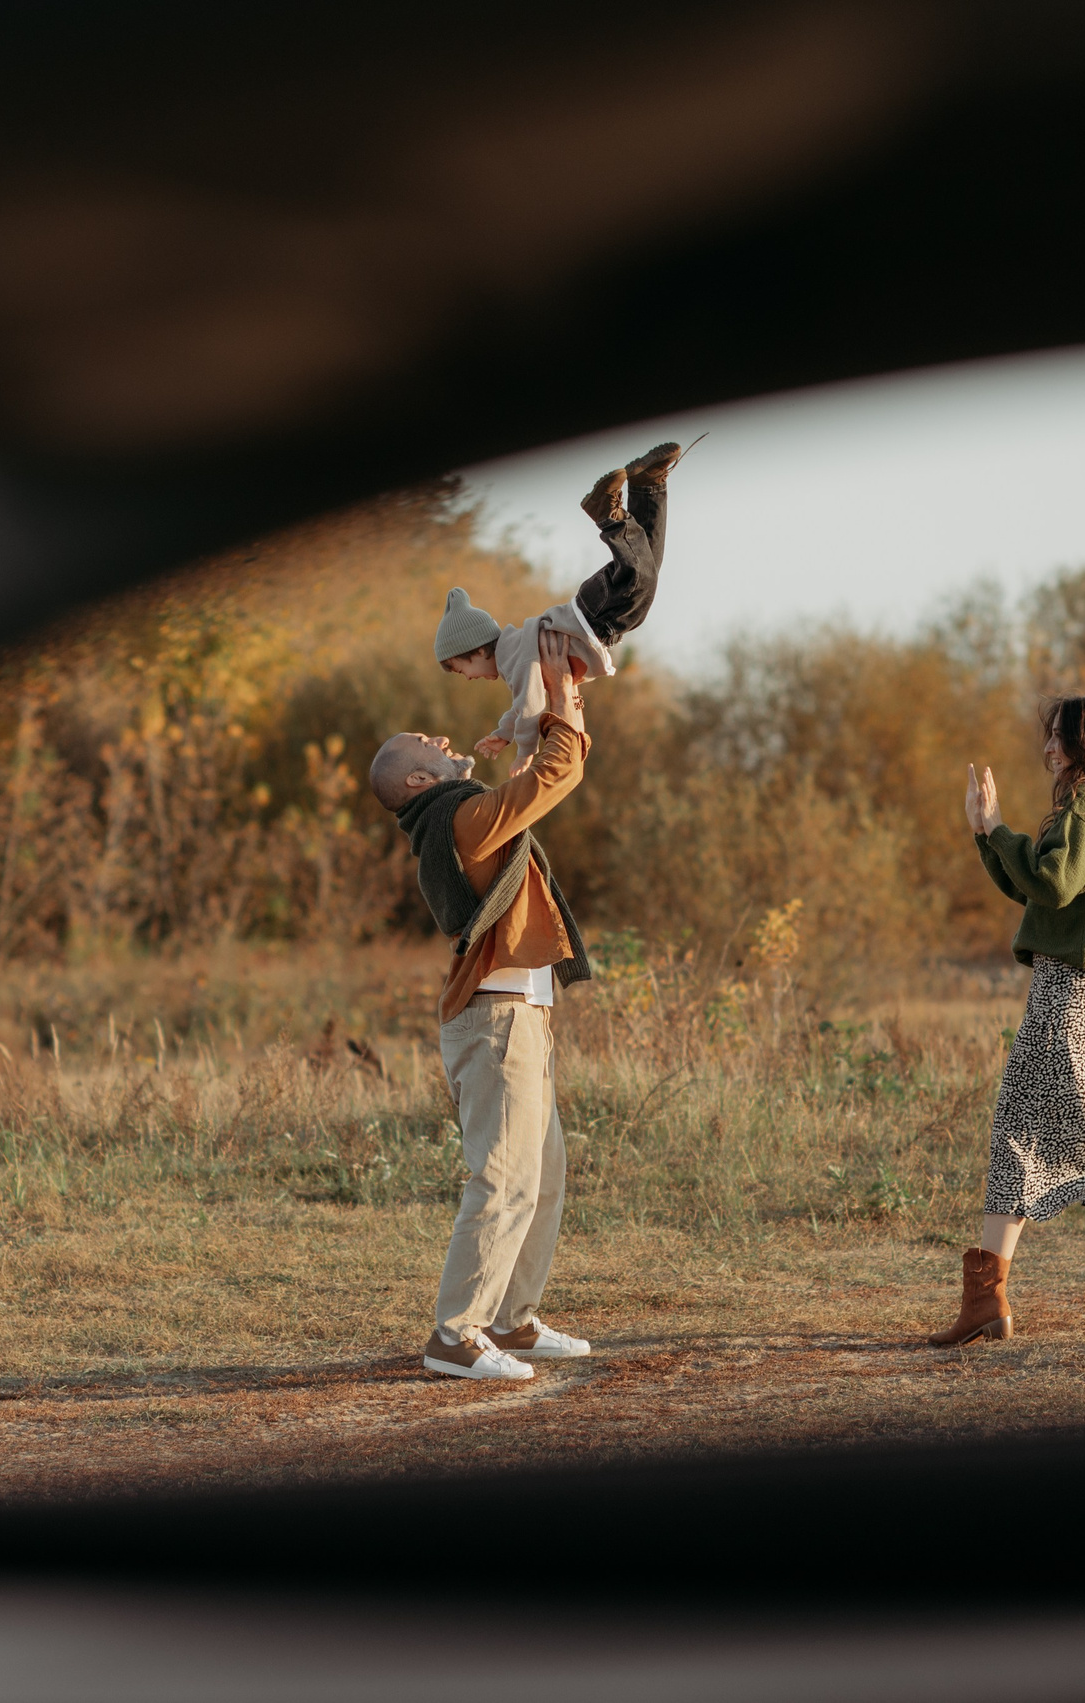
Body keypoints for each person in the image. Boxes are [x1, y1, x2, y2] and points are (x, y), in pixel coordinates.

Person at [368, 628, 596, 1381]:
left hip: (519, 1014)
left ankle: (512, 1319)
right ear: (415, 782)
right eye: (423, 742)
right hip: (497, 1021)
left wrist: (558, 702)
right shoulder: (460, 818)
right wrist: (562, 700)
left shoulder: (463, 815)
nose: (438, 735)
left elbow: (536, 774)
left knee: (545, 1176)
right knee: (503, 1178)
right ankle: (454, 1334)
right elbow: (554, 777)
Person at [927, 691, 1085, 1346]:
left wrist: (999, 828)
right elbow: (1039, 886)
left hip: (1066, 999)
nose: (1046, 751)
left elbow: (1054, 882)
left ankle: (986, 1301)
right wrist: (990, 834)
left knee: (1017, 1133)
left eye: (1056, 740)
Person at [434, 438, 683, 771]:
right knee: (646, 568)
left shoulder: (513, 659)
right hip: (592, 612)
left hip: (593, 617)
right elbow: (521, 703)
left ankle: (607, 514)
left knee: (642, 582)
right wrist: (503, 733)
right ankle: (648, 486)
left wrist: (525, 750)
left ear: (478, 650)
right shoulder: (514, 654)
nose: (466, 678)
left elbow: (530, 704)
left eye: (461, 669)